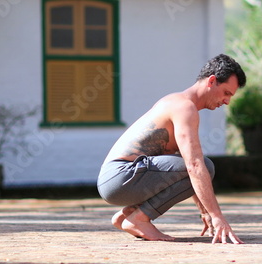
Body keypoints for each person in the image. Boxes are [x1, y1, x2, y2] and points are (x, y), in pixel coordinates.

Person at [97, 54, 246, 244]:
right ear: (212, 81)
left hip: (117, 180)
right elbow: (194, 166)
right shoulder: (185, 108)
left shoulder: (177, 102)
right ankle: (139, 219)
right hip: (120, 176)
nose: (227, 101)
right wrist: (217, 217)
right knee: (205, 166)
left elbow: (182, 167)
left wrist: (205, 212)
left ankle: (129, 214)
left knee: (201, 166)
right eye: (226, 93)